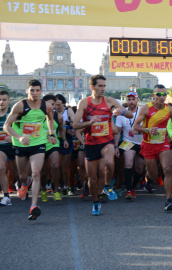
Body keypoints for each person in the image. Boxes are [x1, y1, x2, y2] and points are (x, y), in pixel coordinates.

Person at [72, 75, 133, 216]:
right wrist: (89, 123)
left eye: (104, 86)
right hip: (91, 143)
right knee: (92, 179)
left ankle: (107, 186)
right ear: (92, 87)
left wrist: (121, 111)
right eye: (100, 86)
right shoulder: (84, 103)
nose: (103, 89)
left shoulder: (110, 101)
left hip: (107, 141)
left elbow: (130, 114)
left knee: (110, 161)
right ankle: (95, 202)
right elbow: (75, 125)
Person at [4, 79, 57, 220]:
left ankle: (33, 206)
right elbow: (6, 126)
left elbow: (50, 119)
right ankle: (23, 183)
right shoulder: (20, 106)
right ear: (27, 90)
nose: (34, 93)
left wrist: (51, 134)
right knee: (22, 175)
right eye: (32, 90)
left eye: (37, 90)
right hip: (21, 144)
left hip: (38, 143)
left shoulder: (46, 106)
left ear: (41, 91)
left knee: (36, 173)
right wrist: (20, 137)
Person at [133, 84, 172, 211]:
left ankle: (168, 200)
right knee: (154, 176)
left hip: (163, 143)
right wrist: (148, 129)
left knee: (168, 169)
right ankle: (149, 175)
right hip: (148, 145)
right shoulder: (145, 108)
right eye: (158, 94)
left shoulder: (169, 109)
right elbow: (135, 127)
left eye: (164, 94)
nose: (161, 97)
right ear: (153, 95)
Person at [114, 91, 144, 201]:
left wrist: (139, 132)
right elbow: (118, 131)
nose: (131, 102)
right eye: (129, 99)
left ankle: (133, 186)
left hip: (141, 142)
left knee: (140, 168)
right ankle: (129, 189)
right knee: (128, 163)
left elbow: (148, 127)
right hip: (128, 141)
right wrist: (116, 146)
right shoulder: (122, 113)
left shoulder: (142, 111)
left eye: (133, 99)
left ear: (137, 100)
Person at [41, 95, 68, 202]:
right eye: (48, 104)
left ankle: (56, 190)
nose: (50, 106)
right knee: (43, 171)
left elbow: (61, 130)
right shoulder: (38, 116)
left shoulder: (58, 117)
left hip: (53, 144)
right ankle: (43, 190)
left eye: (52, 104)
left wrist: (65, 139)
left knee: (56, 166)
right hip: (41, 144)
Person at [54, 94, 76, 196]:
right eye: (55, 105)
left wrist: (68, 125)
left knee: (65, 167)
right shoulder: (52, 111)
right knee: (55, 166)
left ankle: (68, 186)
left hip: (67, 140)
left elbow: (75, 122)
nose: (56, 107)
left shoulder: (68, 111)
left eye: (59, 105)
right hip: (54, 141)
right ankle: (57, 186)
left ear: (64, 104)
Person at [0, 91, 14, 206]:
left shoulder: (13, 114)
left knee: (21, 174)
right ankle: (6, 196)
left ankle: (24, 183)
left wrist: (13, 136)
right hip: (1, 147)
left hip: (15, 145)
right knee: (1, 168)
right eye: (0, 100)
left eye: (4, 100)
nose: (1, 102)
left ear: (9, 101)